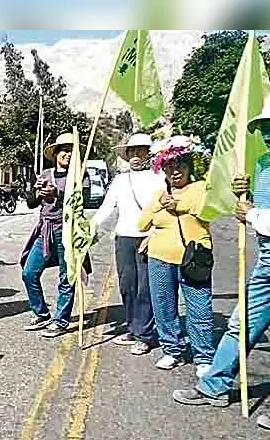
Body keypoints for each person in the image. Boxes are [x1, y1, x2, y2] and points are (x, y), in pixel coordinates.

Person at [171, 92, 270, 431]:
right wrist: (243, 193)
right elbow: (254, 208)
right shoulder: (262, 163)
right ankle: (214, 385)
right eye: (266, 127)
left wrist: (253, 213)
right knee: (241, 322)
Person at [138, 135, 215, 374]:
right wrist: (160, 204)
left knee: (199, 306)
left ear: (190, 166)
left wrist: (178, 206)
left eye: (180, 164)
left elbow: (208, 212)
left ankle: (204, 356)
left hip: (195, 257)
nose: (175, 170)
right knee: (163, 306)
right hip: (160, 257)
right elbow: (142, 224)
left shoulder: (202, 188)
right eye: (170, 166)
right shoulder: (159, 194)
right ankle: (172, 350)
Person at [91, 133, 164, 356]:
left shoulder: (159, 177)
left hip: (148, 236)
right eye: (132, 151)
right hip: (123, 237)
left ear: (148, 153)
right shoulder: (121, 181)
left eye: (140, 151)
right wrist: (90, 228)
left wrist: (155, 232)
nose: (135, 155)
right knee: (127, 285)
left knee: (145, 287)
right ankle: (133, 327)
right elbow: (107, 208)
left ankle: (146, 334)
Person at [21, 133, 90, 339]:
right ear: (56, 154)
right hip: (45, 230)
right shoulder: (46, 174)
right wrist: (39, 195)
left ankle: (61, 320)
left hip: (67, 231)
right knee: (29, 272)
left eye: (71, 151)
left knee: (66, 277)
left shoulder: (80, 176)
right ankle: (41, 313)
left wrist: (57, 195)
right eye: (63, 150)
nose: (67, 154)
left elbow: (82, 202)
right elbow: (32, 203)